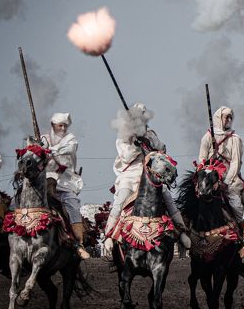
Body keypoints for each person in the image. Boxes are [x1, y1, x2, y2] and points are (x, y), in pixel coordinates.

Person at [102, 103, 189, 251]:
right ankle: (109, 234)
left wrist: (147, 142)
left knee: (167, 196)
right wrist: (136, 145)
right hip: (130, 176)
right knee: (121, 198)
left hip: (150, 175)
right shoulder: (123, 137)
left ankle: (181, 232)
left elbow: (162, 149)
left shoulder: (151, 135)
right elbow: (126, 157)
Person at [41, 112, 90, 259]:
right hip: (43, 183)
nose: (63, 128)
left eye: (65, 126)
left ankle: (79, 244)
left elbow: (70, 149)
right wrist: (37, 147)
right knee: (17, 202)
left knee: (73, 206)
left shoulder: (71, 139)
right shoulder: (44, 139)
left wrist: (50, 150)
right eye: (60, 125)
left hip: (65, 184)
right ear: (53, 125)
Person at [197, 106, 244, 222]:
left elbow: (236, 162)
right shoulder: (208, 136)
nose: (229, 120)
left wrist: (226, 182)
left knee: (236, 204)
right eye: (226, 117)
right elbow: (202, 158)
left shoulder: (235, 139)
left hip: (229, 177)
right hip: (209, 176)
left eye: (231, 118)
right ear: (218, 118)